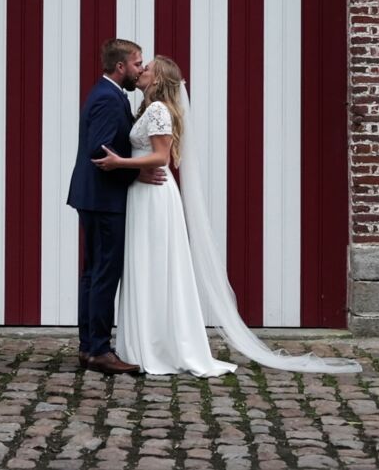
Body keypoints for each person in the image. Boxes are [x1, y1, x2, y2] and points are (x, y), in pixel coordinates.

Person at [94, 55, 362, 377]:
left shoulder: (158, 110)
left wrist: (118, 164)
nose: (142, 71)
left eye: (147, 68)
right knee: (145, 266)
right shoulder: (148, 109)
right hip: (142, 194)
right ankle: (146, 343)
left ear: (159, 78)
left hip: (153, 197)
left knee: (153, 265)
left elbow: (161, 157)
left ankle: (157, 345)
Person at [66, 38, 165, 376]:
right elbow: (100, 151)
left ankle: (88, 346)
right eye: (137, 63)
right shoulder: (108, 99)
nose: (140, 69)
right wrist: (136, 171)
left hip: (94, 198)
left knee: (94, 274)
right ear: (121, 66)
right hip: (103, 201)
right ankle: (98, 350)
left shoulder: (109, 94)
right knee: (104, 275)